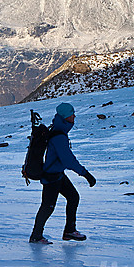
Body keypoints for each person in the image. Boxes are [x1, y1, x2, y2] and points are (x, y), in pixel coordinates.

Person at [29, 102, 96, 244]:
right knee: (48, 207)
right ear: (66, 117)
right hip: (51, 177)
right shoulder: (59, 136)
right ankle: (36, 236)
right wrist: (85, 174)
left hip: (57, 174)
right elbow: (68, 160)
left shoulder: (59, 130)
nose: (74, 116)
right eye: (72, 114)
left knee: (73, 197)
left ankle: (69, 231)